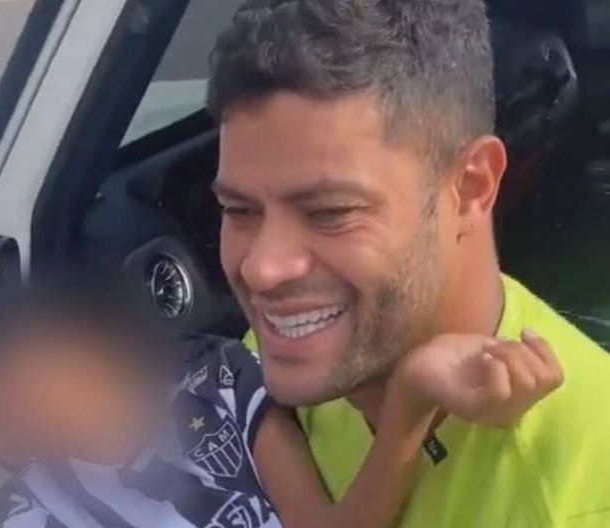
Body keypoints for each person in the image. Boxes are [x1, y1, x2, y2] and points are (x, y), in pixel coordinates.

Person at [208, 0, 610, 526]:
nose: (262, 269)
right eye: (239, 210)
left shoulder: (578, 499)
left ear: (472, 186)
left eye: (331, 212)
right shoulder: (299, 341)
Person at [0, 281, 560, 528]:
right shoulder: (34, 504)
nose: (2, 427)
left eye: (14, 385)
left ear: (74, 346)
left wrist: (410, 399)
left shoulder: (218, 383)